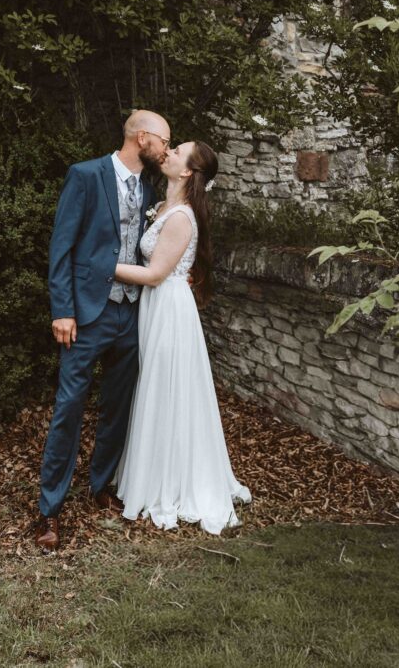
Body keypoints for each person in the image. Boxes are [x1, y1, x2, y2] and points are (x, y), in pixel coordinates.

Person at [35, 110, 171, 551]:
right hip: (87, 315)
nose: (167, 150)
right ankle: (49, 511)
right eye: (164, 141)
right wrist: (63, 310)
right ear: (143, 137)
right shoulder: (86, 175)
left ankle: (100, 485)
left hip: (131, 315)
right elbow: (62, 246)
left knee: (119, 405)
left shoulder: (150, 189)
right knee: (69, 407)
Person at [112, 140, 251, 533]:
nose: (169, 153)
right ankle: (152, 470)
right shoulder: (161, 206)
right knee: (156, 385)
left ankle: (169, 480)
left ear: (188, 171)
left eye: (177, 152)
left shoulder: (181, 217)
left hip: (168, 307)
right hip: (156, 305)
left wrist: (103, 265)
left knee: (167, 386)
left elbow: (156, 274)